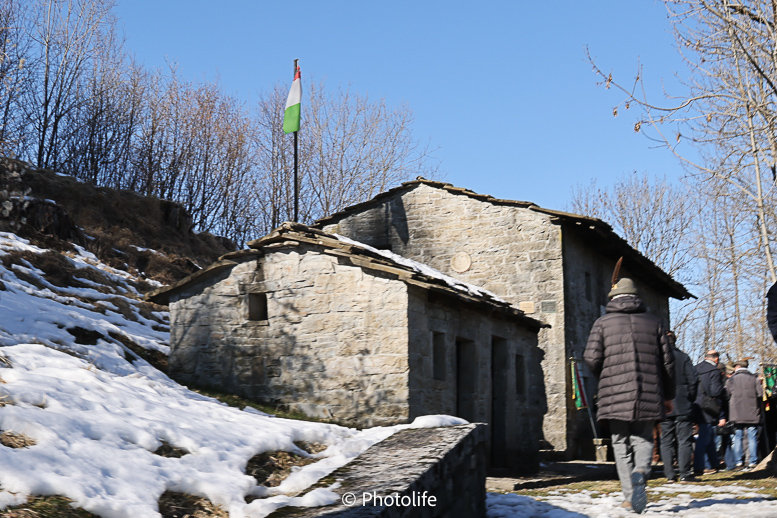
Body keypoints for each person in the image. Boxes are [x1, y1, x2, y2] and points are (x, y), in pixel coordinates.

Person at [584, 277, 675, 514]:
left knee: (619, 443)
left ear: (613, 298)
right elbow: (668, 363)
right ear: (636, 297)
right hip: (648, 390)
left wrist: (605, 375)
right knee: (644, 438)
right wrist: (668, 395)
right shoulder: (655, 322)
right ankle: (641, 473)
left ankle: (628, 495)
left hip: (613, 392)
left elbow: (591, 358)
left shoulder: (602, 323)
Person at [659, 331, 699, 482]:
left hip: (664, 403)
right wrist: (690, 397)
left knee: (666, 440)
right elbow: (693, 380)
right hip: (682, 402)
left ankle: (669, 474)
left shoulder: (657, 359)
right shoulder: (683, 357)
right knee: (684, 440)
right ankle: (685, 473)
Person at [693, 350, 726, 475]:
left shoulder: (695, 368)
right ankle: (699, 466)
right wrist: (724, 394)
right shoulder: (714, 371)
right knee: (704, 437)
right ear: (716, 359)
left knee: (709, 436)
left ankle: (714, 464)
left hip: (696, 405)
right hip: (708, 406)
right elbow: (715, 391)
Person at [726, 359, 763, 470]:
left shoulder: (731, 380)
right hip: (752, 412)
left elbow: (727, 394)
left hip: (736, 413)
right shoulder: (754, 379)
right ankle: (752, 461)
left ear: (737, 367)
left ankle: (738, 462)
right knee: (752, 437)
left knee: (738, 437)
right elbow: (760, 394)